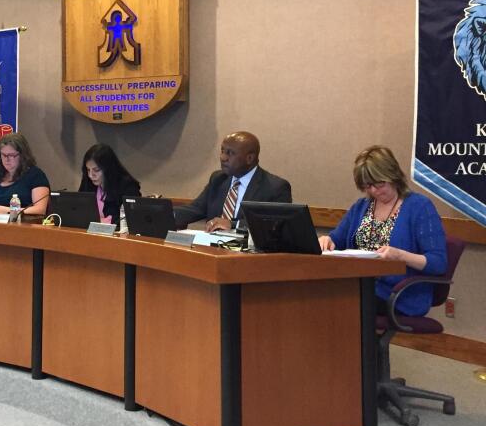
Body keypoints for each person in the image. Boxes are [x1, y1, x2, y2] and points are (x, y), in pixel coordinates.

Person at [319, 146, 447, 316]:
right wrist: (327, 240)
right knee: (320, 294)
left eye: (379, 184)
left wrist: (400, 256)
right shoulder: (361, 207)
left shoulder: (419, 207)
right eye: (367, 186)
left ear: (393, 176)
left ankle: (357, 342)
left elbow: (438, 262)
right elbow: (337, 239)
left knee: (342, 302)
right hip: (361, 286)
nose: (373, 191)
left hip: (399, 294)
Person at [176, 131, 292, 231]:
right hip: (213, 247)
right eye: (222, 151)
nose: (223, 157)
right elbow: (196, 209)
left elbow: (274, 225)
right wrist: (164, 213)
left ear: (249, 158)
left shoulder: (275, 187)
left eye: (230, 153)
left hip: (249, 253)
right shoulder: (218, 179)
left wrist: (233, 225)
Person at [78, 143, 141, 229]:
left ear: (108, 168)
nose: (90, 175)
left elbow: (132, 221)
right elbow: (79, 209)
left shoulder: (127, 186)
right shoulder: (87, 181)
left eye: (96, 170)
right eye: (88, 170)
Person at [0, 133, 50, 215]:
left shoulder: (36, 175)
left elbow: (40, 210)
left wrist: (7, 211)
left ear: (22, 155)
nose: (7, 159)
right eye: (3, 155)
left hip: (24, 225)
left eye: (12, 155)